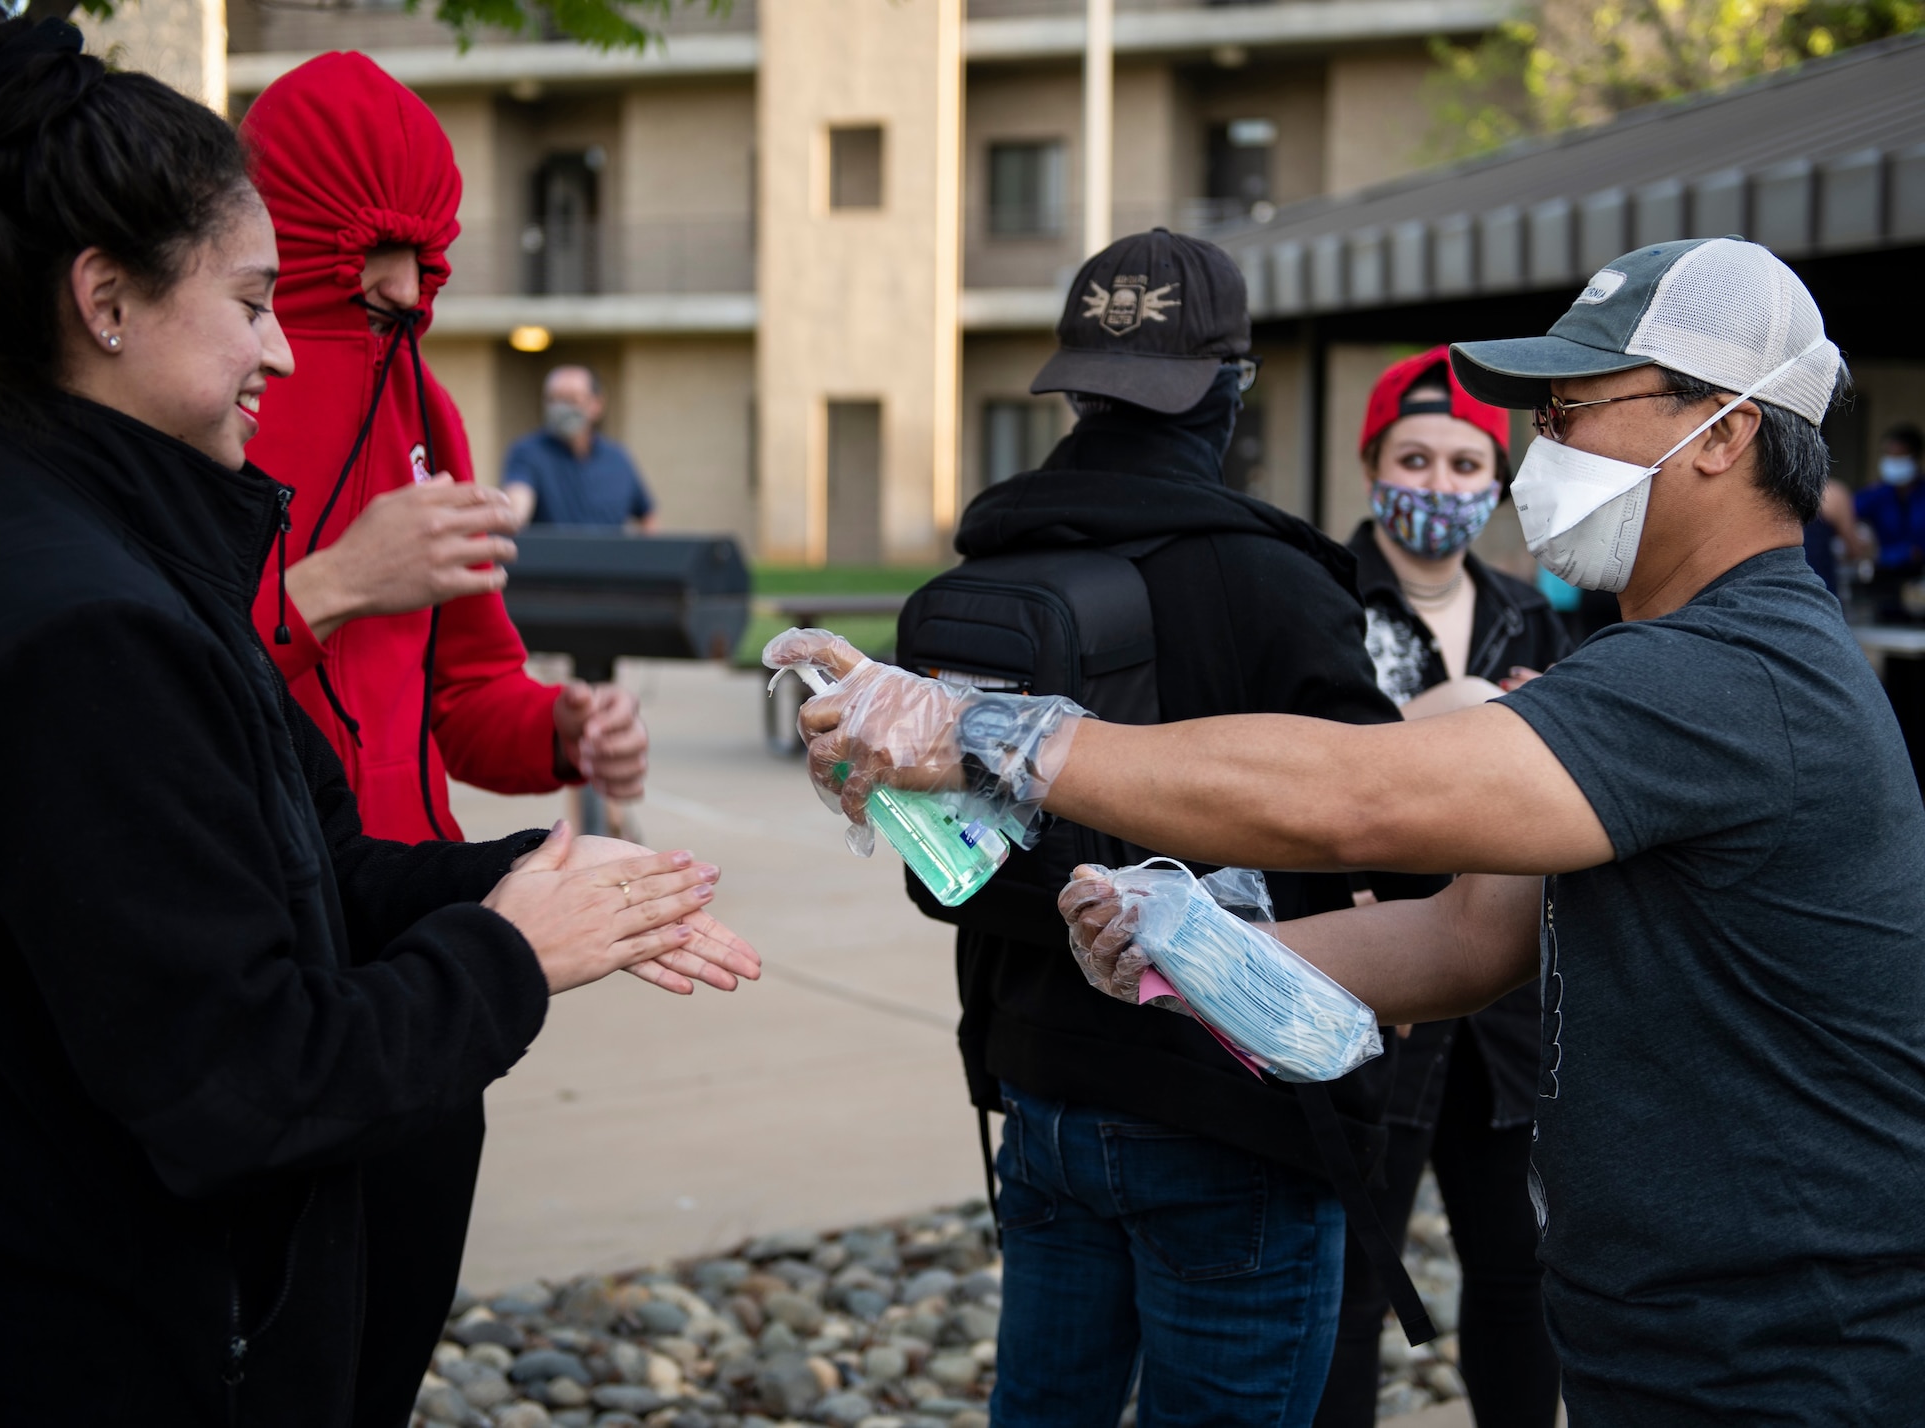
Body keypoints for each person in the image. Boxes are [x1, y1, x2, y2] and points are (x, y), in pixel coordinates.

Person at [784, 236, 1925, 1423]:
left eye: (1571, 409)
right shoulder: (1652, 664)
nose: (1543, 451)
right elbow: (1469, 938)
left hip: (1792, 1358)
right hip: (1666, 1339)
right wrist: (1191, 948)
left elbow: (1354, 798)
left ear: (1726, 432)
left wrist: (991, 736)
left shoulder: (1738, 675)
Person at [0, 8, 758, 1426]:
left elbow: (316, 848)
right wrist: (506, 954)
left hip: (296, 1084)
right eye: (256, 306)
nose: (292, 354)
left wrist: (528, 868)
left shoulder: (43, 535)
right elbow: (241, 1082)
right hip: (124, 1312)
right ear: (105, 298)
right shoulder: (98, 621)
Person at [913, 229, 1437, 1427]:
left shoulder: (992, 557)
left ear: (1074, 387)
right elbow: (1397, 836)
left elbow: (936, 840)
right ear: (1230, 389)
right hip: (1228, 1109)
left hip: (1037, 1084)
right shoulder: (1271, 579)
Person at [236, 54, 656, 1426]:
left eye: (428, 255)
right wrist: (338, 581)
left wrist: (567, 730)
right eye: (378, 255)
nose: (409, 293)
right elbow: (153, 679)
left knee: (392, 1334)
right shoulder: (214, 410)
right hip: (256, 956)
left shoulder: (430, 411)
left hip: (428, 948)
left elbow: (468, 694)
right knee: (262, 1348)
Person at [1317, 348, 1565, 1428]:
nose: (1437, 483)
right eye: (1412, 457)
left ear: (1494, 480)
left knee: (1516, 1267)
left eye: (1466, 462)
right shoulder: (1314, 604)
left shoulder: (1529, 614)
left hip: (1503, 1001)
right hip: (1369, 989)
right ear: (1370, 460)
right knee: (1353, 1278)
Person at [502, 364, 657, 531]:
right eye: (552, 400)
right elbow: (518, 504)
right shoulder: (527, 453)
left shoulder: (618, 459)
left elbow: (647, 515)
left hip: (609, 557)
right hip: (554, 556)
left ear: (596, 404)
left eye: (571, 400)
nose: (560, 408)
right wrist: (511, 516)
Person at [1854, 422, 1925, 613]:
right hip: (1885, 577)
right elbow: (1847, 514)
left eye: (1899, 456)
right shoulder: (1877, 495)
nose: (1892, 461)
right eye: (1888, 455)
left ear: (1915, 458)